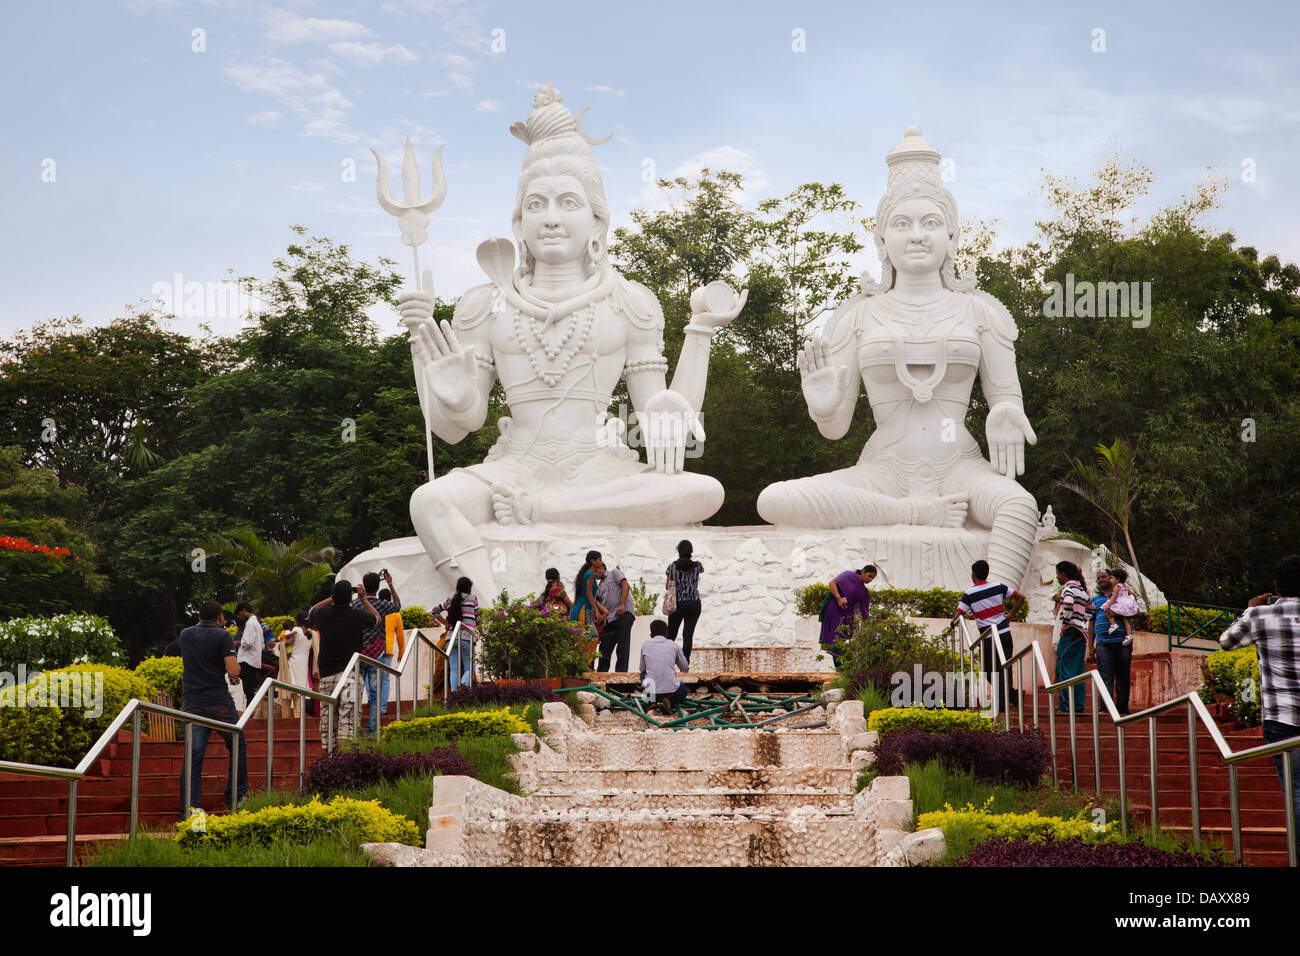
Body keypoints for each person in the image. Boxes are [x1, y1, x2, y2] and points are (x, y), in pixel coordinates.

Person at [1218, 555, 1300, 826]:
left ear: (1277, 587)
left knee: (1296, 789)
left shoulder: (1259, 615)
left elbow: (1226, 642)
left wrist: (1248, 609)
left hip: (1281, 717)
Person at [177, 600, 247, 818]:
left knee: (194, 756)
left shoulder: (185, 635)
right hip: (218, 703)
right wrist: (235, 673)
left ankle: (189, 809)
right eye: (223, 618)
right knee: (237, 742)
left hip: (192, 704)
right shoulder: (222, 635)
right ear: (219, 618)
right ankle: (236, 796)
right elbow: (233, 671)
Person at [309, 580, 379, 751]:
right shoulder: (357, 615)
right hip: (350, 675)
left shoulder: (323, 615)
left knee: (328, 719)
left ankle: (329, 757)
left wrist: (331, 598)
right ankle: (345, 758)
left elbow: (311, 611)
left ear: (333, 596)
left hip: (327, 676)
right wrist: (363, 599)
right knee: (347, 720)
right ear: (350, 598)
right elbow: (376, 619)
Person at [950, 559, 1025, 710]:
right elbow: (1020, 597)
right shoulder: (998, 586)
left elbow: (958, 615)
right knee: (1005, 666)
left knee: (989, 670)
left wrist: (952, 623)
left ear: (973, 574)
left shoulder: (969, 593)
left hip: (988, 636)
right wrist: (1010, 614)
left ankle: (1006, 700)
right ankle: (1010, 696)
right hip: (1004, 632)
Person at [353, 570, 402, 734]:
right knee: (374, 695)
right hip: (377, 654)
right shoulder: (382, 604)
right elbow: (398, 605)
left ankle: (355, 726)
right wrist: (390, 584)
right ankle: (372, 728)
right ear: (378, 586)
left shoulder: (357, 604)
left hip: (359, 653)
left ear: (364, 586)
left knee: (356, 694)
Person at [1086, 569, 1131, 715]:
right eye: (1098, 578)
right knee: (1105, 676)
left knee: (1123, 676)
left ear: (1112, 578)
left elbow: (1134, 612)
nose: (1101, 580)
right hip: (1102, 643)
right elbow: (1091, 624)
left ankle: (1122, 710)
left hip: (1122, 642)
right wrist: (1090, 648)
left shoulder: (1123, 595)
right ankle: (1105, 709)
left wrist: (1116, 613)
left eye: (1104, 577)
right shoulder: (1095, 601)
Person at [1054, 561, 1090, 714]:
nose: (1057, 577)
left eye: (1058, 574)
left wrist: (1065, 625)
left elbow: (1067, 606)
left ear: (1063, 574)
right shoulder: (1081, 590)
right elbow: (1091, 609)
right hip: (1080, 633)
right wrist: (1082, 621)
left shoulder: (1068, 589)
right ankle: (1077, 705)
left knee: (1063, 668)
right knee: (1078, 670)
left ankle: (1066, 706)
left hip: (1070, 633)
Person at [820, 566, 876, 663]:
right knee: (834, 641)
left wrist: (868, 625)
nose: (870, 579)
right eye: (869, 576)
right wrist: (839, 598)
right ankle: (842, 668)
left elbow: (863, 611)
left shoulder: (864, 592)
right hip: (834, 610)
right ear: (863, 572)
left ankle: (844, 669)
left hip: (846, 616)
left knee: (839, 642)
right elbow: (832, 583)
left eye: (872, 578)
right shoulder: (848, 575)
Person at [433, 577, 479, 691]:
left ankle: (454, 695)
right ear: (468, 588)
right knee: (470, 668)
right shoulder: (472, 599)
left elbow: (434, 611)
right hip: (466, 637)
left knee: (454, 669)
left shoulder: (450, 601)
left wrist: (446, 623)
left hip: (451, 638)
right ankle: (462, 690)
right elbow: (477, 616)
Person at [665, 540, 705, 662]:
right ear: (691, 551)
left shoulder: (672, 567)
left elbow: (667, 586)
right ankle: (685, 662)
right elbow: (702, 570)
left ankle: (667, 659)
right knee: (688, 635)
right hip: (694, 603)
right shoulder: (698, 565)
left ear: (678, 551)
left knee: (671, 634)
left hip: (679, 603)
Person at [640, 619, 690, 713]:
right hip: (672, 691)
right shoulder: (674, 645)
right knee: (683, 690)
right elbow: (685, 668)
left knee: (643, 674)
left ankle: (652, 702)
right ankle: (669, 701)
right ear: (667, 634)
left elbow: (642, 669)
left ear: (651, 635)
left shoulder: (645, 645)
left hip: (652, 689)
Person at [594, 557, 635, 672]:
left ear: (602, 568)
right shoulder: (599, 586)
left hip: (623, 614)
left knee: (622, 647)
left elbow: (625, 586)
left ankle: (620, 676)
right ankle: (601, 675)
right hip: (610, 619)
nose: (594, 574)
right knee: (604, 650)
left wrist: (621, 605)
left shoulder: (614, 573)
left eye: (595, 570)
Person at [233, 601, 266, 712]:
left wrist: (239, 643)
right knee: (250, 689)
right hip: (254, 660)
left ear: (243, 610)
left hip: (247, 661)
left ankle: (249, 714)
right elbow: (261, 644)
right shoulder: (257, 623)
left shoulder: (250, 623)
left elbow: (248, 642)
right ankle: (250, 713)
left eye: (239, 614)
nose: (240, 617)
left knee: (248, 691)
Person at [1103, 567, 1140, 641]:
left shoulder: (1117, 586)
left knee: (1107, 610)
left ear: (1118, 579)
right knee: (1125, 619)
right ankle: (1129, 635)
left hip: (1119, 603)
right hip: (1125, 604)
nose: (1110, 580)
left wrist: (1108, 605)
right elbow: (1133, 595)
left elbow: (1114, 597)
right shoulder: (1126, 586)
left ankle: (1113, 624)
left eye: (1111, 578)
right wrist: (1134, 602)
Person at [570, 551, 602, 635]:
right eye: (600, 560)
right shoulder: (590, 575)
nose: (601, 562)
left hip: (580, 606)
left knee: (585, 636)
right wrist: (596, 610)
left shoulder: (587, 573)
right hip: (584, 608)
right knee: (589, 636)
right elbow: (589, 594)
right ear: (592, 561)